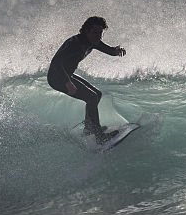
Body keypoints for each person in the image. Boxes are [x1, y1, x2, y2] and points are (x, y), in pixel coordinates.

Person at [47, 16, 127, 144]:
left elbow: (108, 50)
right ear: (86, 31)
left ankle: (89, 128)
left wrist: (116, 51)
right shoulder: (74, 43)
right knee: (91, 97)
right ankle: (99, 137)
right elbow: (56, 62)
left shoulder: (92, 42)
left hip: (67, 75)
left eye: (100, 32)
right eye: (95, 32)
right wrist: (68, 82)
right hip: (57, 77)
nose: (98, 36)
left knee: (97, 95)